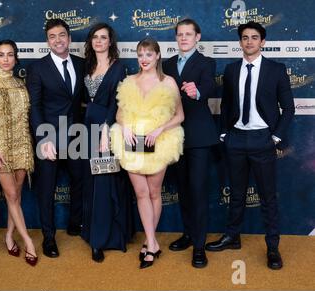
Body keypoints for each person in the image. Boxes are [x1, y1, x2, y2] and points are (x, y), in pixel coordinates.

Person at [205, 21, 295, 270]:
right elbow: (226, 105)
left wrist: (275, 138)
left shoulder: (276, 69)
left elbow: (288, 108)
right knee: (235, 194)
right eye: (245, 37)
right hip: (236, 139)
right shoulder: (232, 69)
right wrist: (224, 134)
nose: (249, 41)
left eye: (254, 37)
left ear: (262, 42)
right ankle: (232, 237)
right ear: (240, 42)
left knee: (267, 198)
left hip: (263, 140)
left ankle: (273, 247)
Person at [110, 37, 185, 269]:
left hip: (159, 142)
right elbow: (119, 115)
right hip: (132, 143)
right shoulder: (129, 81)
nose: (144, 59)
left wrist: (161, 128)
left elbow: (180, 115)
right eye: (140, 55)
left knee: (153, 193)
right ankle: (152, 243)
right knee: (141, 193)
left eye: (148, 54)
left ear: (157, 56)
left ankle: (149, 241)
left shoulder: (169, 82)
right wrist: (125, 126)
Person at [26, 18, 85, 258]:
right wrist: (43, 138)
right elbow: (35, 106)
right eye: (53, 36)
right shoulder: (37, 68)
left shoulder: (82, 64)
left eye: (62, 35)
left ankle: (75, 224)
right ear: (47, 41)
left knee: (80, 183)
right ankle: (49, 238)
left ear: (69, 38)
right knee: (46, 189)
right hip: (48, 134)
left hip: (77, 133)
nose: (58, 40)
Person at [162, 19, 218, 268]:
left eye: (188, 34)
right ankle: (187, 233)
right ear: (176, 38)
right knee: (183, 189)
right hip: (173, 136)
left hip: (199, 136)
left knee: (197, 190)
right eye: (180, 34)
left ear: (198, 37)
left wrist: (195, 91)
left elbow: (206, 89)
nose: (183, 38)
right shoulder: (167, 64)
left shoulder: (207, 63)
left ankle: (199, 245)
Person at [0, 40, 37, 266]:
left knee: (17, 195)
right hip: (0, 147)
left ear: (15, 58)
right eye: (1, 55)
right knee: (11, 195)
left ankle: (8, 235)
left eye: (10, 54)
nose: (5, 59)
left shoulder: (22, 84)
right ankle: (28, 242)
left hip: (22, 145)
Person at [81, 23, 134, 263]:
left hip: (107, 129)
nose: (99, 41)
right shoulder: (86, 65)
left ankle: (104, 239)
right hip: (86, 129)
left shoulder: (119, 68)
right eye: (95, 37)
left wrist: (105, 129)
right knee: (92, 184)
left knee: (106, 184)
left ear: (111, 41)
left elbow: (118, 102)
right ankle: (93, 234)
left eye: (104, 37)